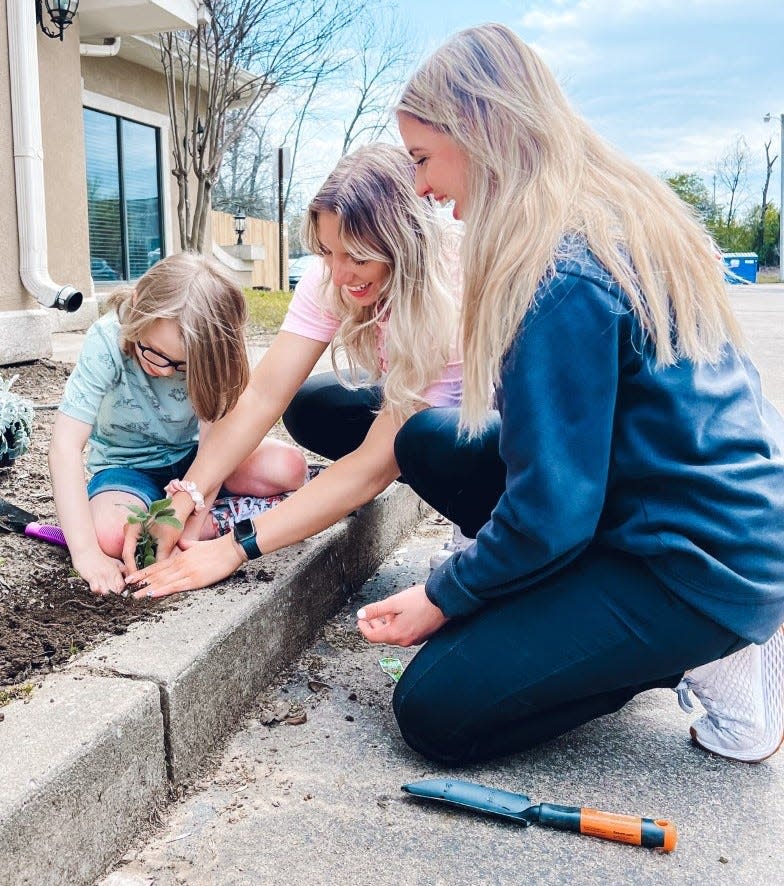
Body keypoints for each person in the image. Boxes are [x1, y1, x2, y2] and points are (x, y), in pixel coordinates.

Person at [355, 23, 784, 767]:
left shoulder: (557, 272)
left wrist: (446, 594)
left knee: (435, 711)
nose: (420, 186)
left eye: (423, 159)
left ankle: (718, 656)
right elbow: (558, 478)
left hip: (694, 565)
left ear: (483, 131)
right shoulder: (607, 215)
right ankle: (579, 619)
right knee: (428, 439)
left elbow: (552, 512)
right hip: (658, 509)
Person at [123, 144, 463, 596]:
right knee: (311, 407)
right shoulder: (333, 278)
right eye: (327, 252)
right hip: (416, 408)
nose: (340, 276)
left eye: (359, 257)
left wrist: (234, 547)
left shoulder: (449, 295)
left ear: (406, 246)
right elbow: (263, 394)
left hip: (492, 436)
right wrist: (186, 497)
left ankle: (477, 525)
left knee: (420, 440)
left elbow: (374, 465)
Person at [49, 252, 307, 597]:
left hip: (197, 460)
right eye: (153, 352)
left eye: (181, 366)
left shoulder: (209, 353)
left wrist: (188, 534)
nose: (166, 371)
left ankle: (204, 521)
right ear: (138, 305)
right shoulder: (106, 341)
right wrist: (85, 554)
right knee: (111, 535)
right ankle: (214, 519)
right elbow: (64, 446)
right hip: (128, 470)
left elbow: (217, 447)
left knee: (289, 467)